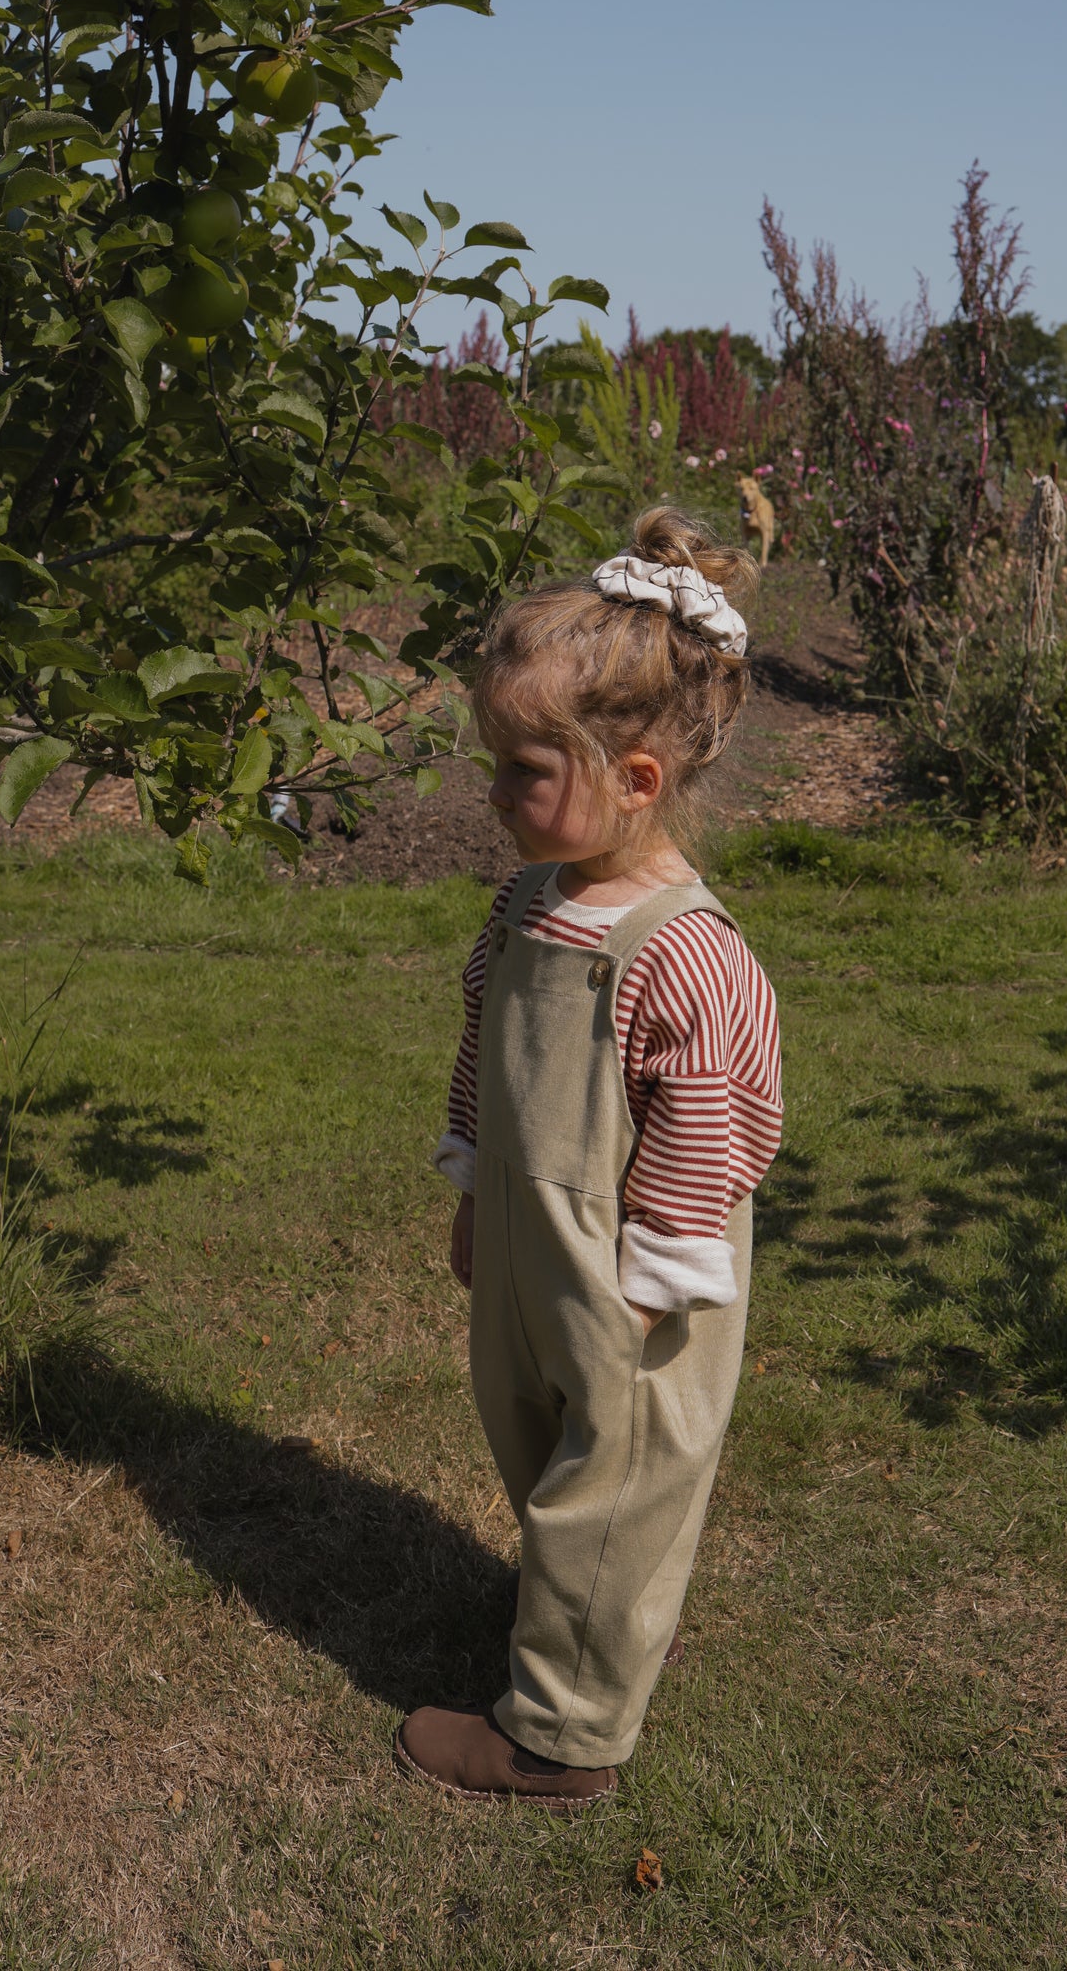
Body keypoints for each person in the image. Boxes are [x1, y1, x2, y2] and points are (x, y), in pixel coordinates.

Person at [395, 507, 784, 1809]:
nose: (493, 796)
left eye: (523, 770)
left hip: (631, 1277)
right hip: (529, 1243)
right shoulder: (524, 907)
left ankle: (557, 1741)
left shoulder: (684, 950)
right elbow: (485, 1046)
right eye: (492, 763)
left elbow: (712, 1123)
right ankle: (571, 1615)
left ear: (634, 782)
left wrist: (643, 1279)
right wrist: (472, 1189)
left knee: (611, 1481)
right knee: (537, 1441)